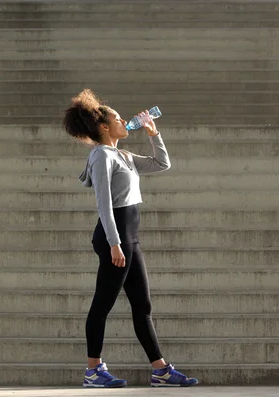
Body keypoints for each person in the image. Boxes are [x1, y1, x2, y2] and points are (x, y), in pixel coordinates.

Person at [63, 89, 199, 388]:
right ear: (103, 127)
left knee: (143, 305)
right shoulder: (101, 155)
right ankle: (93, 370)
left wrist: (154, 133)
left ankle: (161, 371)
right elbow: (103, 202)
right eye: (116, 118)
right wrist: (114, 243)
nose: (124, 120)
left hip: (129, 236)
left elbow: (162, 164)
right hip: (115, 237)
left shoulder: (122, 154)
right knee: (103, 304)